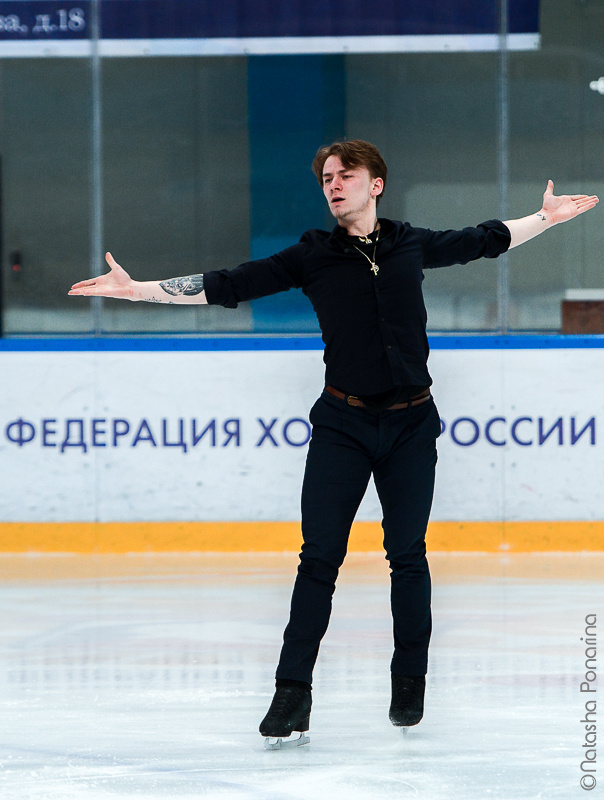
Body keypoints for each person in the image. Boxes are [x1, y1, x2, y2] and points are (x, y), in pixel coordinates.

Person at [69, 140, 598, 747]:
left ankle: (409, 681)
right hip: (342, 427)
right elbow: (229, 283)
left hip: (411, 426)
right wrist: (139, 291)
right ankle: (291, 694)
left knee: (408, 555)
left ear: (376, 184)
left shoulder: (409, 242)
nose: (333, 184)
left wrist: (544, 218)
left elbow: (483, 237)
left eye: (346, 175)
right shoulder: (312, 255)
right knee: (318, 559)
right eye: (326, 177)